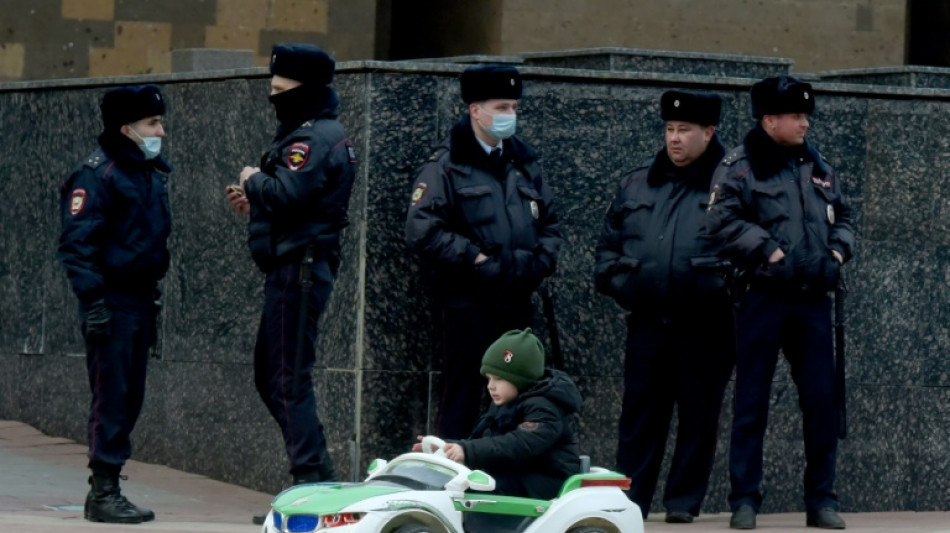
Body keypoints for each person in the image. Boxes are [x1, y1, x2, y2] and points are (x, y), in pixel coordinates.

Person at [705, 75, 854, 530]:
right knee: (752, 402)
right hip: (762, 297)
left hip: (812, 299)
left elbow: (843, 215)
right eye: (796, 116)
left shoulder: (818, 164)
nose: (805, 123)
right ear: (770, 120)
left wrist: (836, 251)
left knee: (821, 402)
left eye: (805, 115)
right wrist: (767, 249)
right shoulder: (742, 166)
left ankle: (821, 499)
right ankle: (745, 500)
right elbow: (720, 219)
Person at [594, 90, 735, 523]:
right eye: (670, 129)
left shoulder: (731, 184)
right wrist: (631, 286)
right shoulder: (637, 183)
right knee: (640, 416)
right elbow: (607, 251)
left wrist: (716, 285)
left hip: (706, 323)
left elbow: (747, 250)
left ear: (708, 133)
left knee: (699, 417)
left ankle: (682, 503)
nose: (674, 139)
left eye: (685, 130)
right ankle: (629, 503)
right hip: (649, 321)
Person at [405, 65, 563, 440]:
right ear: (475, 110)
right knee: (462, 393)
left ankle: (504, 478)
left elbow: (550, 223)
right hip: (467, 302)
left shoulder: (525, 163)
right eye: (501, 106)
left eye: (513, 107)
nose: (510, 115)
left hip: (517, 297)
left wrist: (539, 262)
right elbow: (422, 228)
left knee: (517, 393)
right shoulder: (445, 165)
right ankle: (450, 477)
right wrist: (475, 258)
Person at [226, 43, 356, 487]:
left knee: (286, 381)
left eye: (282, 88)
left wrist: (252, 179)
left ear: (308, 89)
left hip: (299, 271)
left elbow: (288, 194)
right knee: (272, 377)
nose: (273, 95)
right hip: (292, 268)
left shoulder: (312, 138)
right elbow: (297, 203)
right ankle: (318, 475)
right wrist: (256, 201)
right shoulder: (307, 132)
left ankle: (310, 482)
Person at [58, 84, 170, 524]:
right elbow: (76, 244)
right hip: (111, 301)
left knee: (130, 397)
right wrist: (95, 303)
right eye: (152, 123)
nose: (161, 130)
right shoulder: (97, 174)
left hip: (141, 301)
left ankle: (109, 486)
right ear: (126, 128)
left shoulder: (147, 171)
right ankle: (102, 492)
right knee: (112, 397)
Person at [413, 328, 581, 500]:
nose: (490, 386)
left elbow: (518, 444)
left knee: (472, 491)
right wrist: (448, 447)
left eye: (499, 379)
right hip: (516, 474)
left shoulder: (545, 408)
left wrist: (467, 451)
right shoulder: (505, 403)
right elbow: (484, 440)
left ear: (520, 378)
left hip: (543, 481)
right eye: (488, 379)